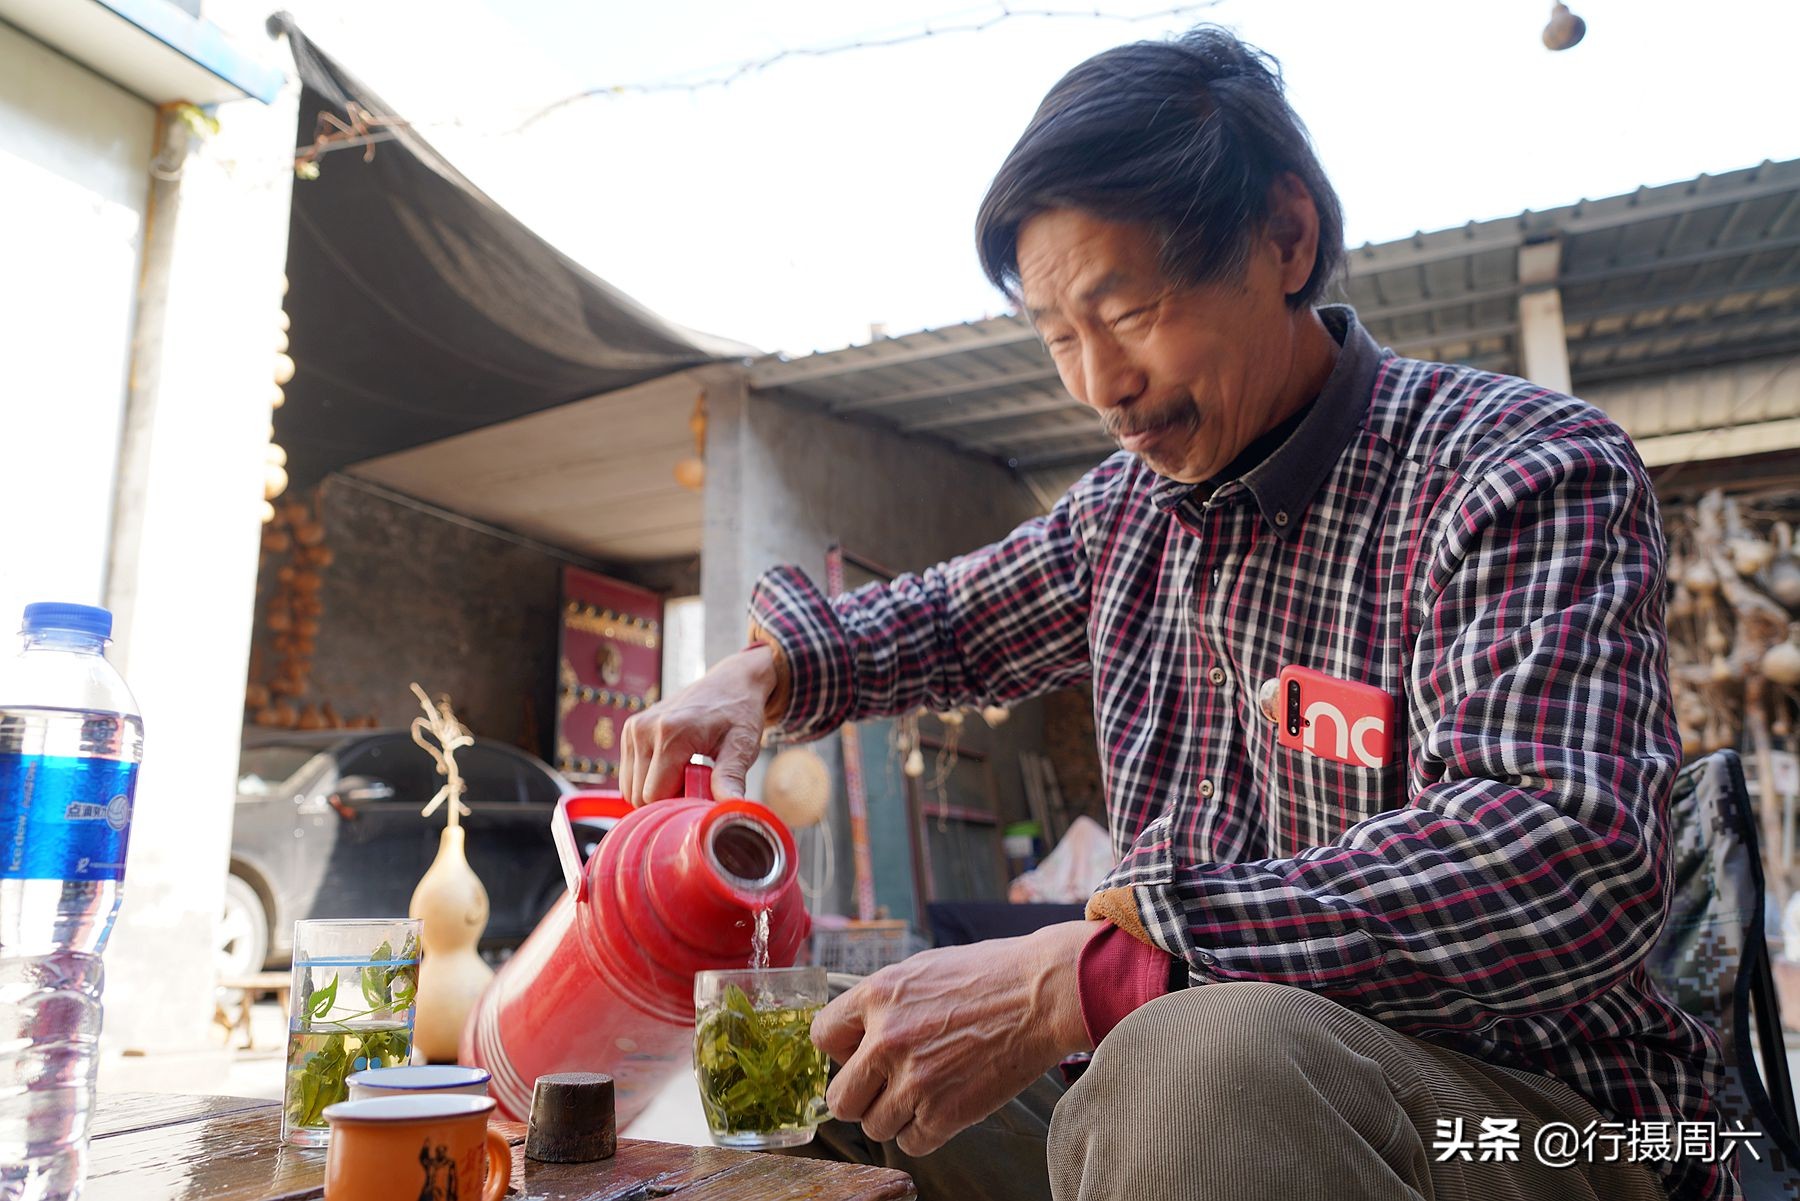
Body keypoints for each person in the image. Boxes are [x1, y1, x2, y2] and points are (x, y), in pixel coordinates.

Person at [620, 24, 1727, 1201]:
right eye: (1060, 338)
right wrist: (761, 675)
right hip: (1176, 1084)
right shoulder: (1128, 519)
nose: (1100, 384)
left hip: (1553, 1122)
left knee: (1197, 1059)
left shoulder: (1518, 470)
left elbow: (1559, 856)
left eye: (1131, 311)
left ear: (1287, 239)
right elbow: (943, 621)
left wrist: (1090, 977)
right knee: (798, 1073)